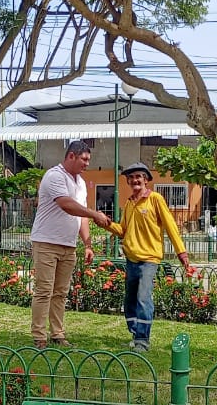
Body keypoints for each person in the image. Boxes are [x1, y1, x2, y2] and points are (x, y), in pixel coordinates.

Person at [30, 140, 111, 348]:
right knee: (44, 290)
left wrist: (88, 244)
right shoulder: (54, 176)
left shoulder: (81, 183)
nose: (87, 164)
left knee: (60, 292)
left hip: (69, 245)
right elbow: (66, 205)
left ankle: (57, 334)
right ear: (71, 156)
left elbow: (81, 215)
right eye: (84, 159)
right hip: (46, 242)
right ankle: (39, 336)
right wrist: (95, 214)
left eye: (88, 160)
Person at [108, 163, 194, 352]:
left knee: (143, 297)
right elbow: (122, 230)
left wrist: (181, 251)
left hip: (149, 259)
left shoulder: (155, 199)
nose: (134, 180)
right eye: (131, 178)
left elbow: (170, 225)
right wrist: (106, 223)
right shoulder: (129, 203)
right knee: (130, 300)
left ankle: (142, 340)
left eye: (138, 176)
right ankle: (135, 333)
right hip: (132, 258)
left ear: (146, 179)